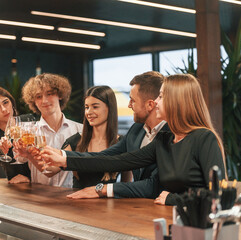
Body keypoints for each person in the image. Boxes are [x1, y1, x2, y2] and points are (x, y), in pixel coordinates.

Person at [41, 74, 227, 205]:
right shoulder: (164, 139)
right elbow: (119, 161)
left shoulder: (204, 138)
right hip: (166, 217)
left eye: (161, 96)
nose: (157, 102)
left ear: (177, 101)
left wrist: (173, 199)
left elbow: (219, 194)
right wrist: (65, 159)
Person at [54, 71, 167, 199]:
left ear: (150, 104)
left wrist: (100, 189)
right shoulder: (136, 130)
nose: (129, 105)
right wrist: (63, 157)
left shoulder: (170, 135)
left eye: (132, 100)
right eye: (86, 107)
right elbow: (107, 157)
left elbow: (152, 185)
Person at [15, 73, 82, 188]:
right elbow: (19, 158)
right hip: (40, 198)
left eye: (49, 94)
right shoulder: (28, 133)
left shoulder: (80, 130)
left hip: (73, 197)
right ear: (33, 101)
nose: (44, 100)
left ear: (60, 95)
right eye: (38, 96)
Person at [62, 85, 131, 188]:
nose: (89, 112)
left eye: (95, 107)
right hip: (77, 202)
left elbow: (126, 184)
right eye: (86, 107)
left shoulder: (122, 143)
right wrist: (32, 155)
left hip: (110, 203)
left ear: (109, 108)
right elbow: (49, 170)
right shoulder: (75, 141)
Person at [0, 85, 32, 184]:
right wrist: (2, 146)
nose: (4, 109)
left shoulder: (28, 120)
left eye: (5, 102)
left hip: (45, 181)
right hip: (18, 186)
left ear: (11, 102)